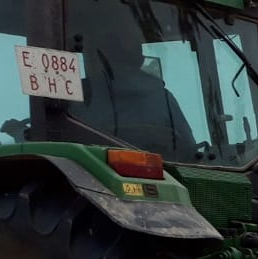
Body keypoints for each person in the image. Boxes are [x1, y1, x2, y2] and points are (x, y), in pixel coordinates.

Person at [75, 9, 198, 160]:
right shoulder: (163, 100)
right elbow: (190, 152)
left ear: (102, 57)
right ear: (140, 59)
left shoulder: (78, 96)